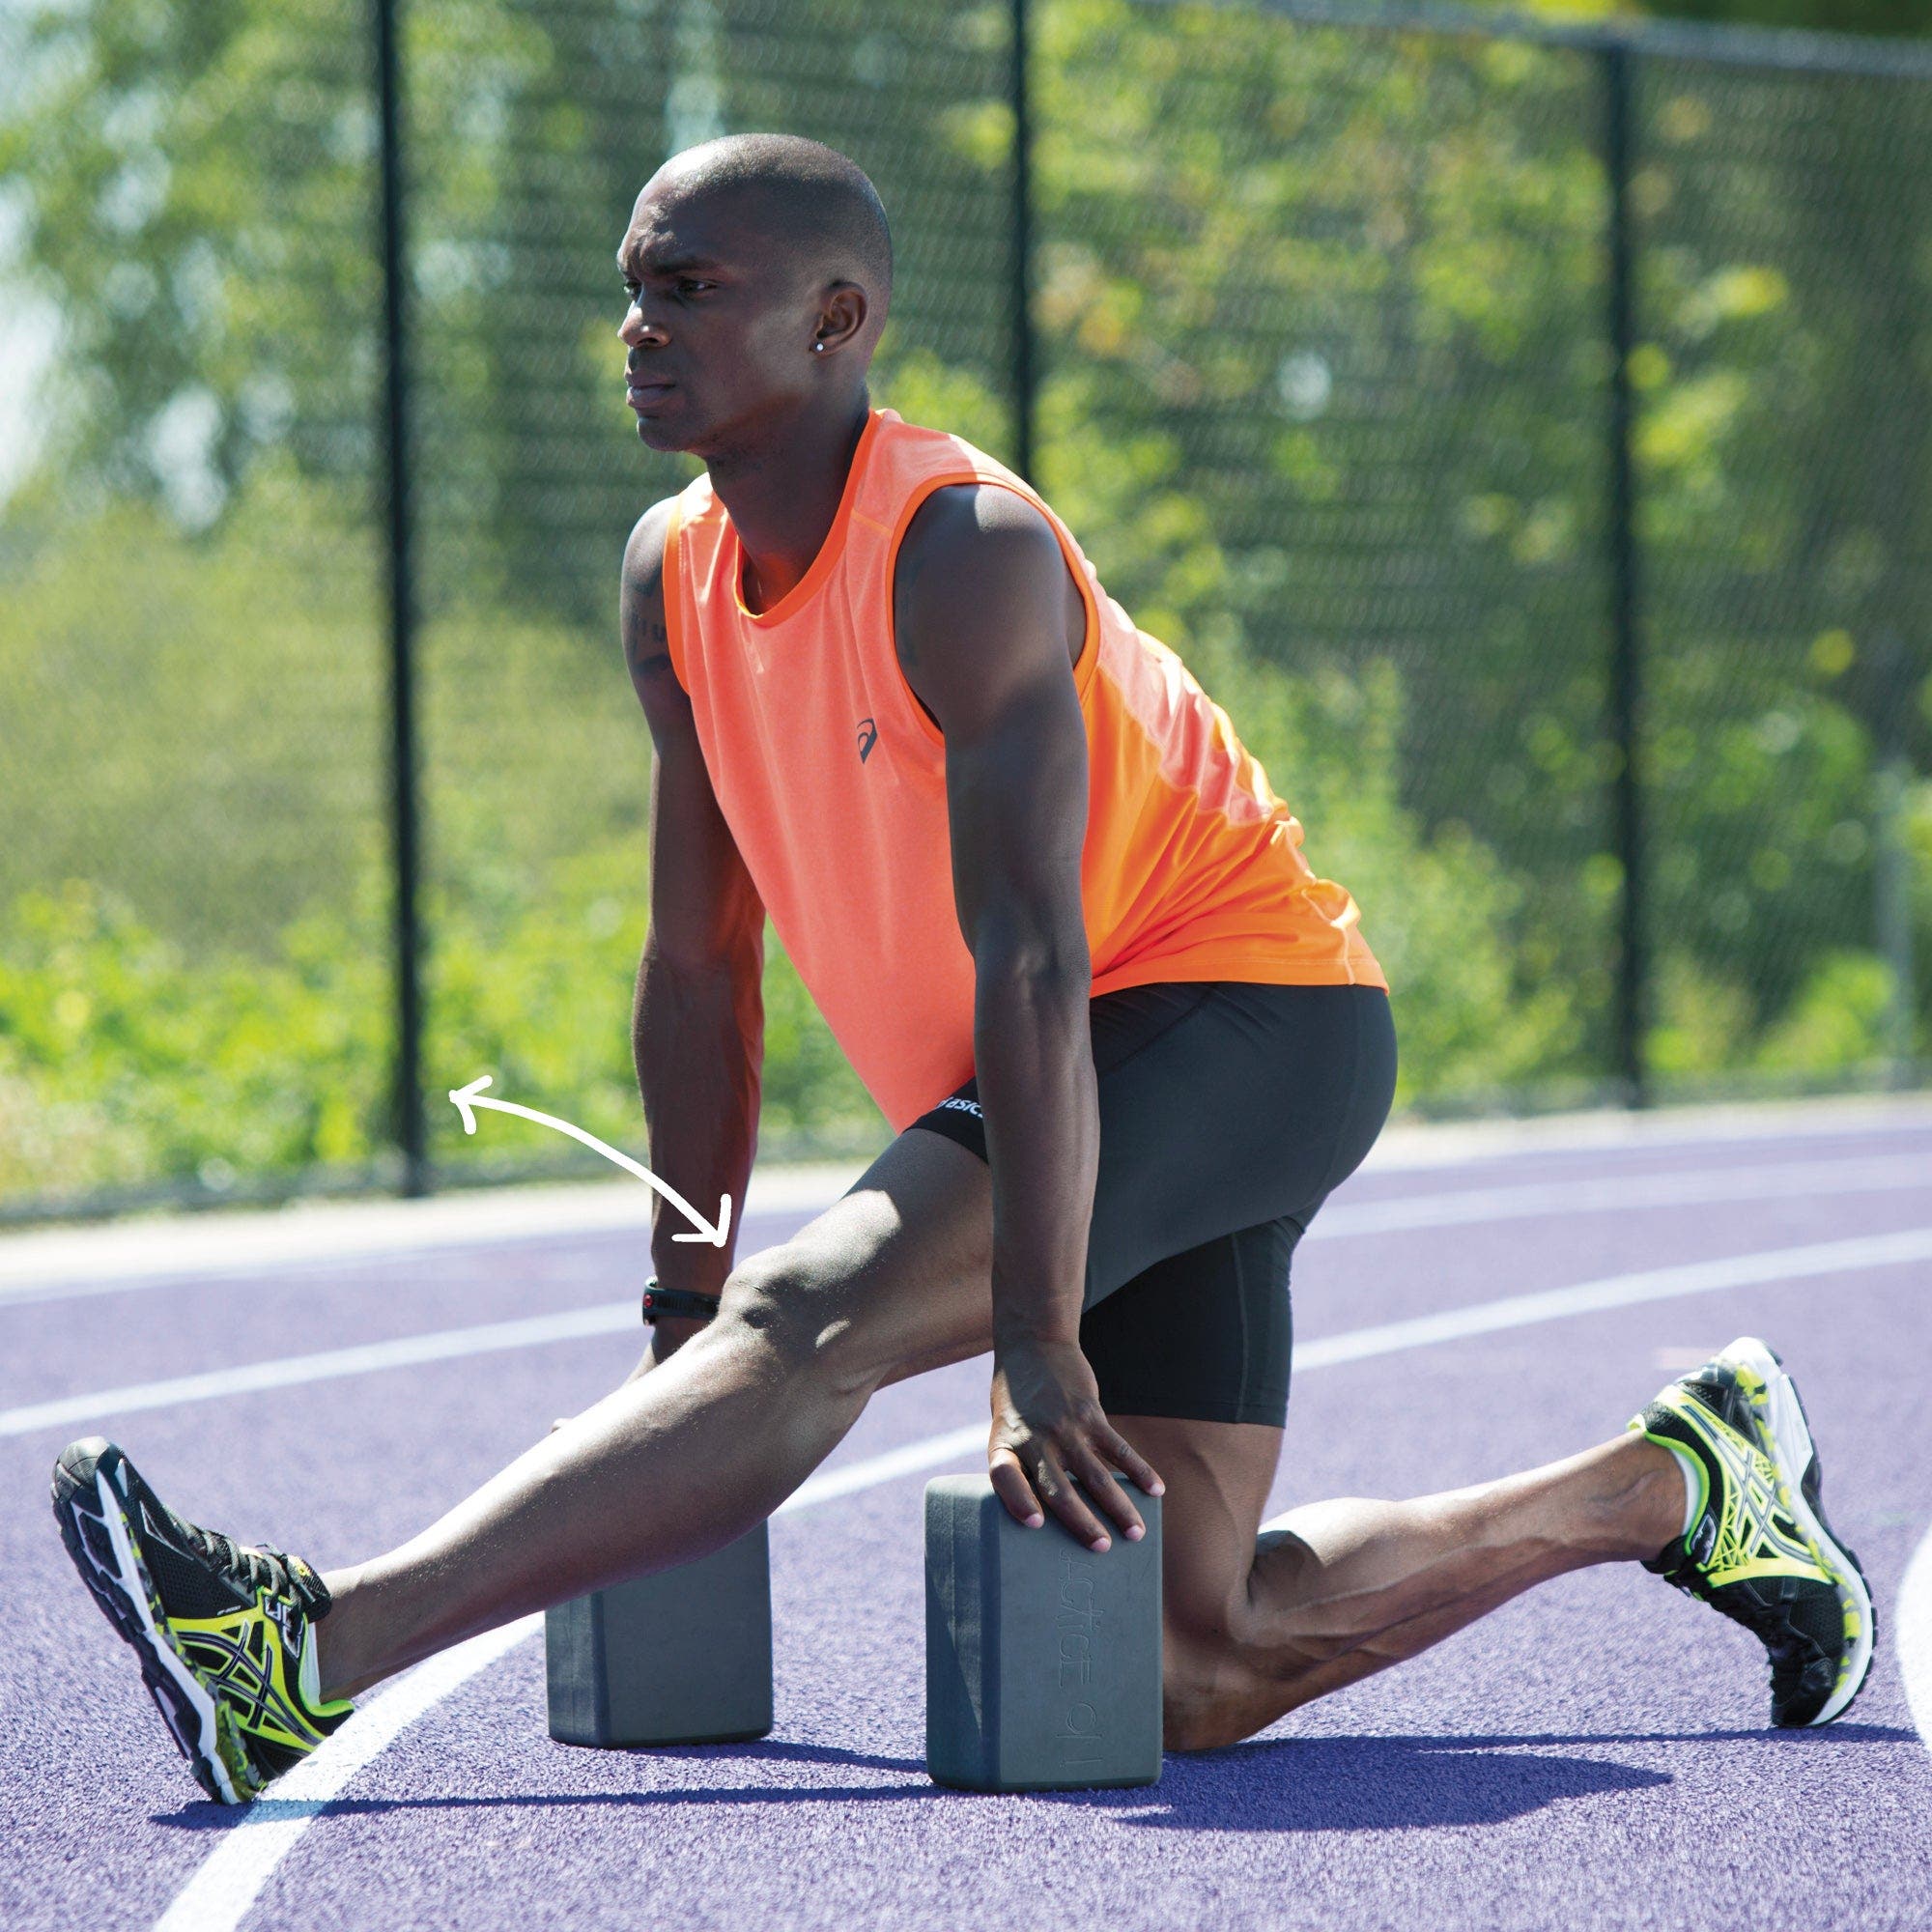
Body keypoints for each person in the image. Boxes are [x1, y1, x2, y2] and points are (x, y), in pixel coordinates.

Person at [51, 135, 1872, 1806]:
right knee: (1187, 1661)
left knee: (817, 1314)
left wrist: (1033, 1328)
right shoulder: (670, 574)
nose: (636, 325)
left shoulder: (963, 551)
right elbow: (699, 966)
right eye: (631, 284)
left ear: (838, 321)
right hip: (1083, 1053)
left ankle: (309, 1653)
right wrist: (675, 1302)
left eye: (688, 288)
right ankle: (1676, 1480)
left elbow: (1036, 950)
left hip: (1238, 1018)